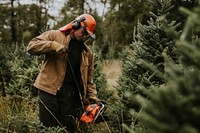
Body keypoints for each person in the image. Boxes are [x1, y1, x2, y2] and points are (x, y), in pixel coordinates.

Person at [27, 14, 100, 133]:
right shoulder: (55, 35)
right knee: (47, 128)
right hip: (49, 91)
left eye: (88, 34)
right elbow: (31, 46)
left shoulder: (88, 53)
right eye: (84, 32)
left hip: (69, 96)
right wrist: (52, 45)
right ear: (76, 25)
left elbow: (88, 81)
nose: (85, 36)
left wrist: (93, 99)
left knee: (68, 129)